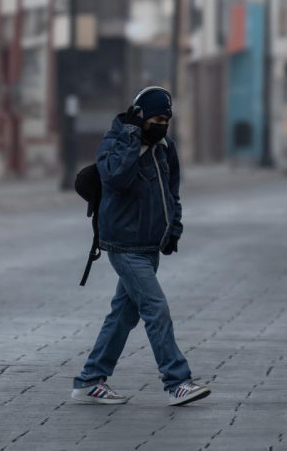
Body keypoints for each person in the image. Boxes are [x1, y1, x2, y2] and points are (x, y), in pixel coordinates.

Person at [71, 86, 211, 407]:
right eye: (155, 118)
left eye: (166, 118)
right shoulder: (116, 142)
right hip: (123, 244)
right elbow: (116, 177)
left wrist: (173, 228)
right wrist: (132, 135)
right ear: (139, 116)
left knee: (122, 315)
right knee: (155, 308)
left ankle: (90, 379)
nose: (162, 124)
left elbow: (172, 192)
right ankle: (177, 381)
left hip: (149, 245)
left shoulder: (165, 148)